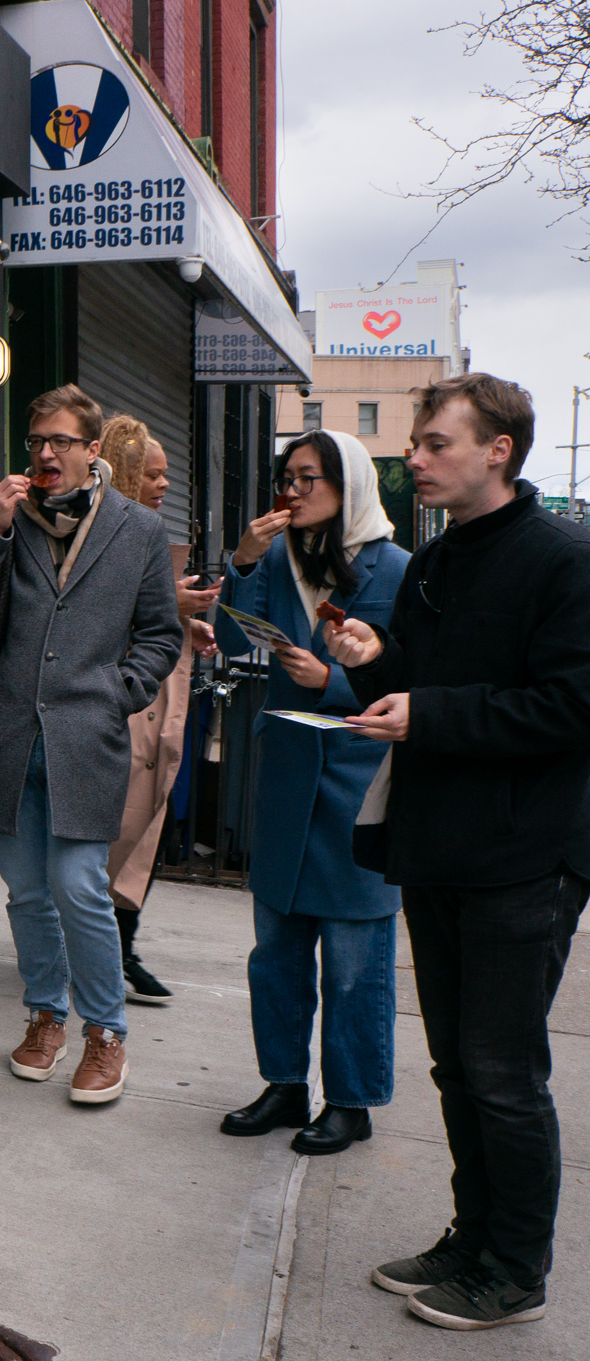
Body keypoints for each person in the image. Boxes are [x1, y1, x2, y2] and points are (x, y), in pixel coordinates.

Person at [324, 374, 590, 1330]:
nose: (416, 458)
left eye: (436, 443)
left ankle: (515, 1269)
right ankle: (473, 1237)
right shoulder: (440, 559)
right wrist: (376, 661)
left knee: (504, 1072)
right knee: (456, 1066)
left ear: (499, 452)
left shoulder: (565, 561)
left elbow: (571, 706)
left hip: (525, 858)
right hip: (440, 847)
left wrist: (426, 707)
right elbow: (425, 682)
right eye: (416, 442)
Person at [0, 385, 181, 1104]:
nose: (44, 453)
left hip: (87, 737)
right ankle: (46, 1015)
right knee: (26, 891)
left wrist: (119, 691)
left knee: (79, 886)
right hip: (12, 734)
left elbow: (161, 633)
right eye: (36, 440)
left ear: (93, 450)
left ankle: (105, 1032)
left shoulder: (137, 530)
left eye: (61, 441)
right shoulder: (9, 522)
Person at [214, 430, 408, 1156]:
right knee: (276, 953)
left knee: (357, 962)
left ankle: (352, 1099)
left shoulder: (396, 567)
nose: (291, 492)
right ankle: (284, 1083)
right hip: (288, 777)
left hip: (359, 782)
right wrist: (240, 561)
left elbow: (413, 675)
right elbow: (233, 645)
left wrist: (332, 682)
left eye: (308, 478)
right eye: (285, 478)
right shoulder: (280, 560)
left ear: (349, 485)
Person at [99, 419, 219, 1004]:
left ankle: (120, 948)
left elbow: (148, 615)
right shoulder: (97, 527)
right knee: (114, 829)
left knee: (147, 826)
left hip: (156, 696)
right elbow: (92, 611)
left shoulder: (147, 532)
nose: (165, 483)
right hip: (114, 704)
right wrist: (170, 603)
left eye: (168, 473)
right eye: (152, 473)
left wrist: (186, 622)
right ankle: (101, 953)